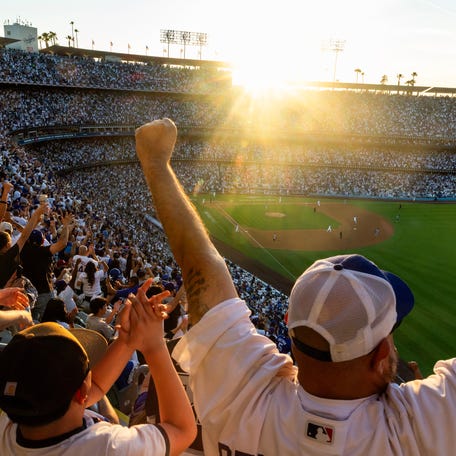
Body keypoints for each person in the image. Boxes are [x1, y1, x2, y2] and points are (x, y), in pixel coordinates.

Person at [135, 118, 455, 455]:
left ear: (290, 331)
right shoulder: (419, 426)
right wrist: (156, 163)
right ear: (381, 355)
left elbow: (204, 276)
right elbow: (203, 272)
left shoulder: (243, 399)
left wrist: (155, 164)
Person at [0, 279, 196, 455]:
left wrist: (127, 341)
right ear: (80, 392)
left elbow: (94, 389)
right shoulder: (108, 447)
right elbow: (181, 430)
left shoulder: (10, 422)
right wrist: (154, 345)